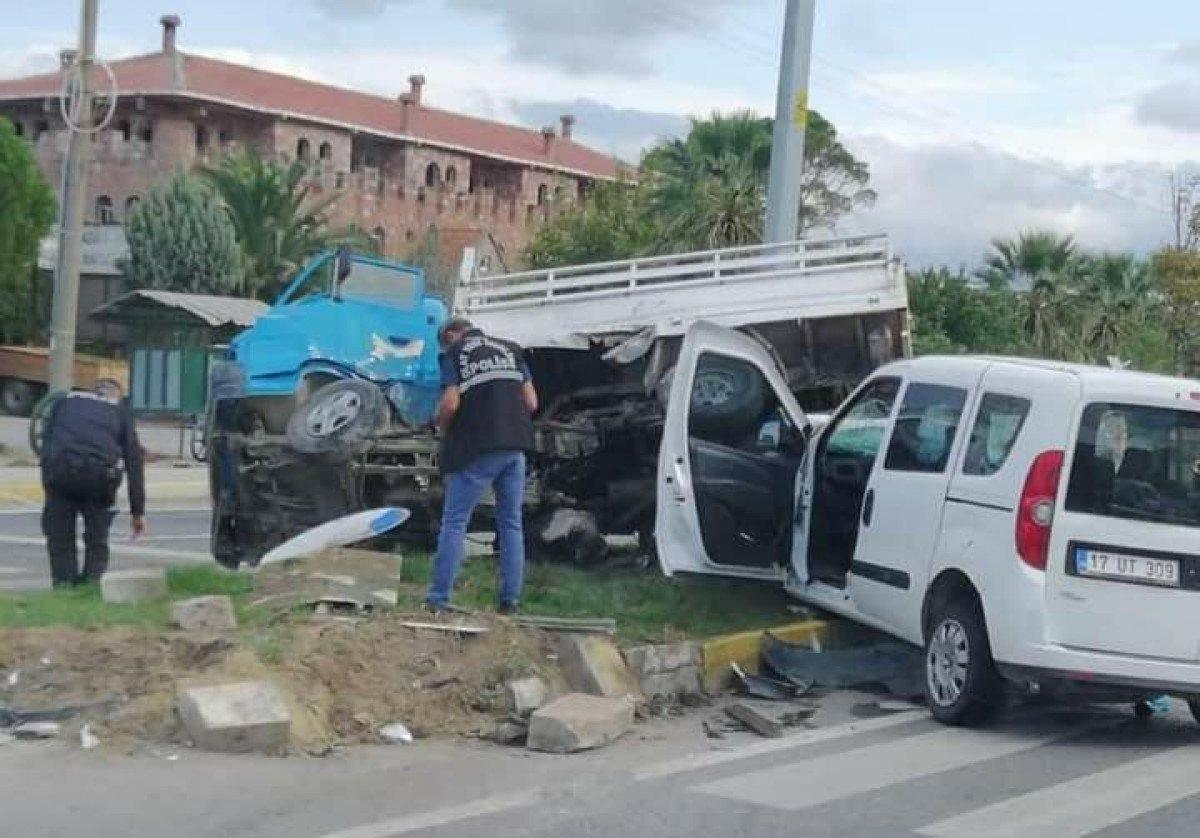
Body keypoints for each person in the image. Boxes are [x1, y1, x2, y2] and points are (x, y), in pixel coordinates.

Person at [426, 318, 537, 613]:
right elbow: (531, 402)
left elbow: (450, 403)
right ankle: (510, 601)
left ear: (452, 335)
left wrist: (442, 428)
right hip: (515, 446)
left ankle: (439, 598)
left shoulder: (454, 354)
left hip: (477, 447)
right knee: (511, 523)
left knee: (455, 521)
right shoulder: (511, 349)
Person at [40, 379, 146, 586]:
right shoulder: (120, 411)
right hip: (98, 478)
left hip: (60, 473)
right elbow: (134, 463)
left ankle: (63, 585)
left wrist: (48, 484)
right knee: (97, 538)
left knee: (60, 538)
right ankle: (91, 584)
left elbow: (47, 444)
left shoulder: (64, 402)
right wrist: (137, 512)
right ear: (116, 396)